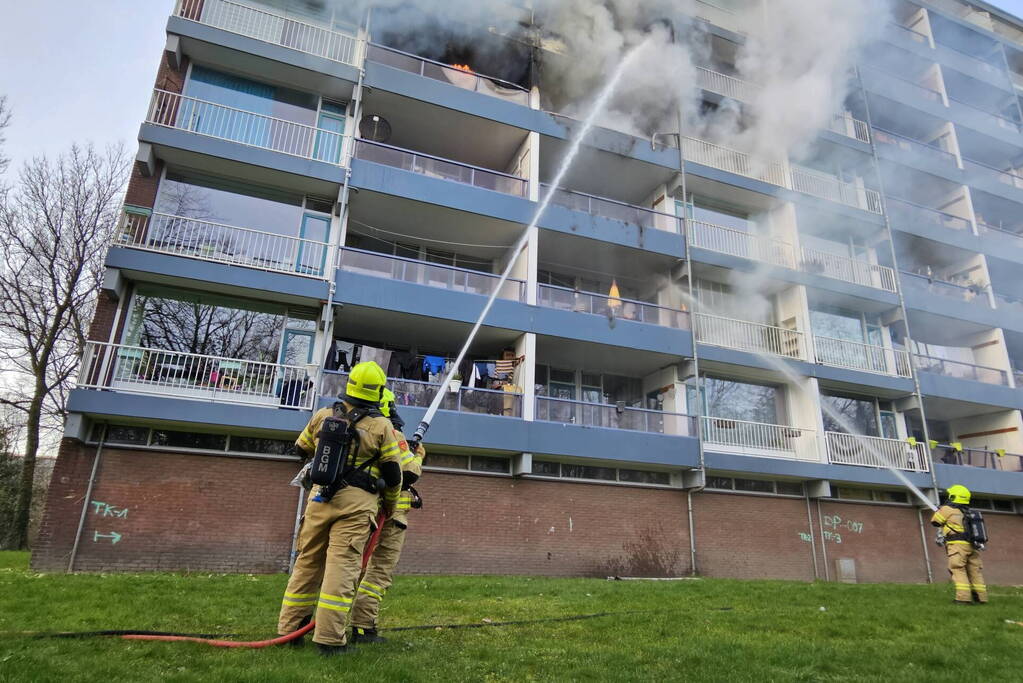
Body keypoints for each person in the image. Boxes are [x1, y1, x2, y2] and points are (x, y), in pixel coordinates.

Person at [277, 361, 404, 656]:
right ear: (378, 391)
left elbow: (301, 448)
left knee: (307, 564)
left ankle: (289, 631)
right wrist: (391, 503)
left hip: (319, 500)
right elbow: (394, 474)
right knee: (341, 569)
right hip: (356, 506)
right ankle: (330, 640)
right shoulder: (382, 426)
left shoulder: (323, 415)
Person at [349, 388, 425, 644]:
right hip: (391, 517)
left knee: (350, 568)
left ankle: (331, 623)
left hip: (362, 510)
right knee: (378, 572)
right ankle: (363, 627)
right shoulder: (391, 433)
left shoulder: (358, 430)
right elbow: (408, 473)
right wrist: (417, 456)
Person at [931, 485, 988, 605]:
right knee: (974, 572)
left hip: (957, 546)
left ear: (953, 496)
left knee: (958, 569)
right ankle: (981, 598)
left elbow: (935, 522)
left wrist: (939, 510)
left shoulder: (947, 509)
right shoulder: (968, 512)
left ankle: (963, 599)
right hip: (973, 546)